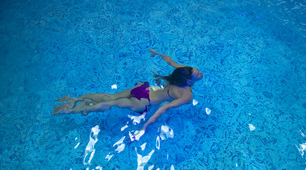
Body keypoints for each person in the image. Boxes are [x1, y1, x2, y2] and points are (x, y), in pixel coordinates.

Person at [52, 49, 203, 131]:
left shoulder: (182, 72)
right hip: (145, 102)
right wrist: (147, 125)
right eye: (197, 73)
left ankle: (77, 99)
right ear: (190, 81)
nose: (200, 73)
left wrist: (157, 53)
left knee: (110, 97)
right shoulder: (187, 95)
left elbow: (170, 60)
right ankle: (77, 110)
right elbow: (164, 108)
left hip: (145, 90)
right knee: (112, 104)